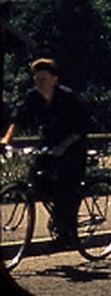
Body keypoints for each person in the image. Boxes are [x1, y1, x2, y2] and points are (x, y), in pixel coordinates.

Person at [1, 58, 88, 247]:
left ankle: (67, 230)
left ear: (54, 79)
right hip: (49, 144)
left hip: (73, 146)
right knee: (39, 180)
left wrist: (64, 146)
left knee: (66, 189)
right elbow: (19, 120)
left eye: (43, 79)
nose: (39, 83)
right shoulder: (33, 97)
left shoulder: (67, 97)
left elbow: (81, 127)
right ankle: (58, 219)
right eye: (37, 79)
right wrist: (6, 140)